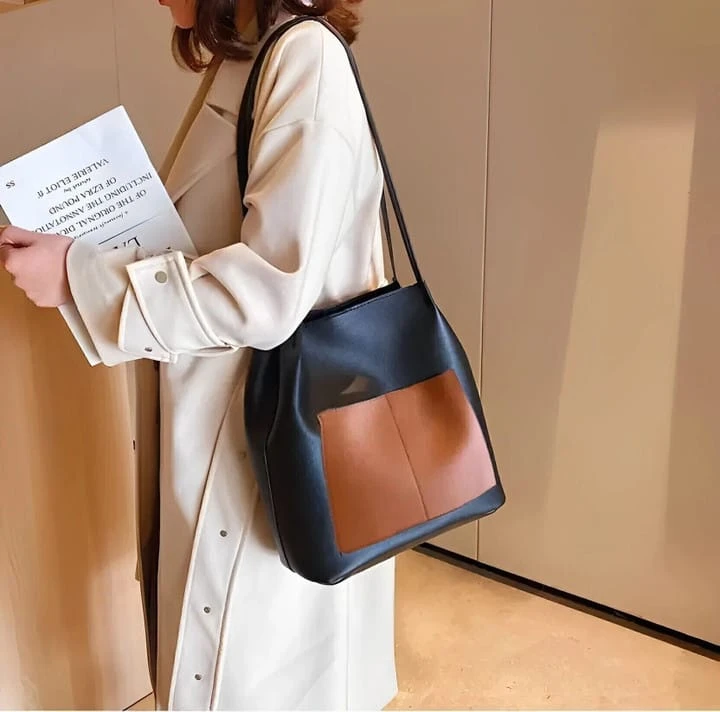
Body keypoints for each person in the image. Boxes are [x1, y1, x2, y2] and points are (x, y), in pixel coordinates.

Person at [0, 1, 398, 709]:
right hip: (238, 422)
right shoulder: (253, 54)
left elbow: (268, 294)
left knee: (256, 673)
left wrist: (80, 277)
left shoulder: (302, 59)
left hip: (271, 436)